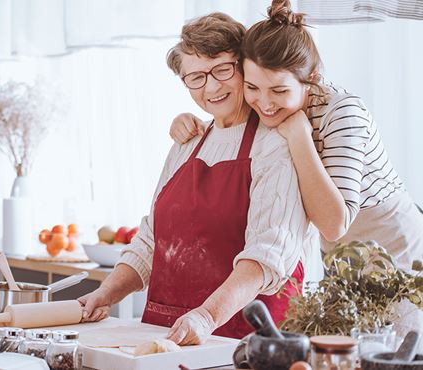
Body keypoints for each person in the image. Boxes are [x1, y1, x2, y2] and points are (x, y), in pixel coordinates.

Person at [78, 12, 317, 345]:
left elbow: (267, 256)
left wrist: (207, 316)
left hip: (244, 339)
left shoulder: (276, 144)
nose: (212, 87)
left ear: (245, 68)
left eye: (223, 70)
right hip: (169, 333)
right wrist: (105, 294)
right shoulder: (187, 141)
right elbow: (152, 240)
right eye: (196, 77)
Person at [169, 0, 423, 274]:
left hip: (394, 245)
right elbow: (232, 120)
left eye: (279, 91)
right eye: (253, 87)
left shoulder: (342, 113)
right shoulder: (269, 110)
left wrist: (300, 135)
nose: (264, 103)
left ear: (310, 77)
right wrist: (187, 122)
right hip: (337, 255)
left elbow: (333, 224)